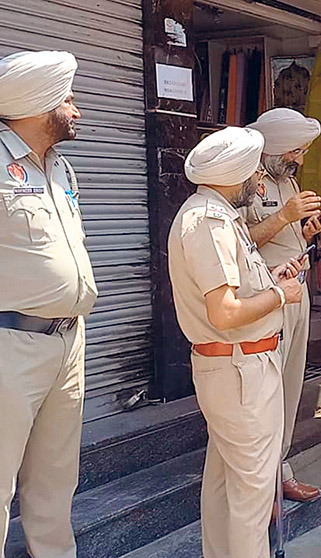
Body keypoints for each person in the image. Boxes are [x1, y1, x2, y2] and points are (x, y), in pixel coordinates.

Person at [168, 126, 306, 558]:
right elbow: (224, 312)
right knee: (252, 498)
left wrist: (271, 280)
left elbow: (236, 291)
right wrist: (280, 295)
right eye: (255, 171)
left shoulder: (219, 216)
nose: (260, 180)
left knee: (227, 487)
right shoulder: (208, 222)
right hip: (239, 369)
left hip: (239, 367)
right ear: (237, 174)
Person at [0, 50, 96, 558]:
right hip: (11, 345)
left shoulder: (62, 169)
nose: (76, 110)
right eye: (68, 99)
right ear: (39, 105)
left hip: (68, 341)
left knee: (57, 480)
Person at [242, 108, 321, 503]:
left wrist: (306, 230)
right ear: (276, 147)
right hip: (267, 297)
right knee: (267, 388)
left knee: (291, 385)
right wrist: (284, 217)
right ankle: (265, 476)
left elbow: (287, 237)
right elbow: (242, 241)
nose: (300, 158)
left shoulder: (289, 182)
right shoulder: (247, 183)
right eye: (296, 150)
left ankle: (280, 466)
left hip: (297, 290)